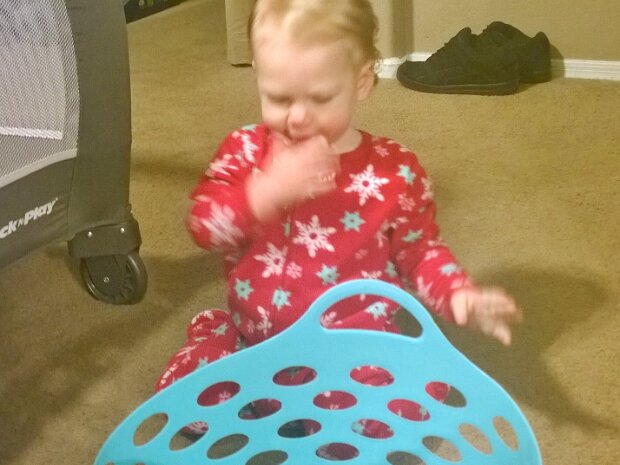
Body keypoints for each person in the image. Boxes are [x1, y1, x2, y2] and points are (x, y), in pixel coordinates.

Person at [156, 0, 522, 451]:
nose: (297, 117)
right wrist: (264, 193)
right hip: (253, 337)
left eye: (320, 98)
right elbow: (203, 226)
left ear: (361, 81)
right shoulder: (245, 150)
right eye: (278, 97)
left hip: (351, 348)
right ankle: (229, 354)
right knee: (188, 400)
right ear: (258, 76)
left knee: (389, 420)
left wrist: (458, 294)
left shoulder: (395, 171)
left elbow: (420, 251)